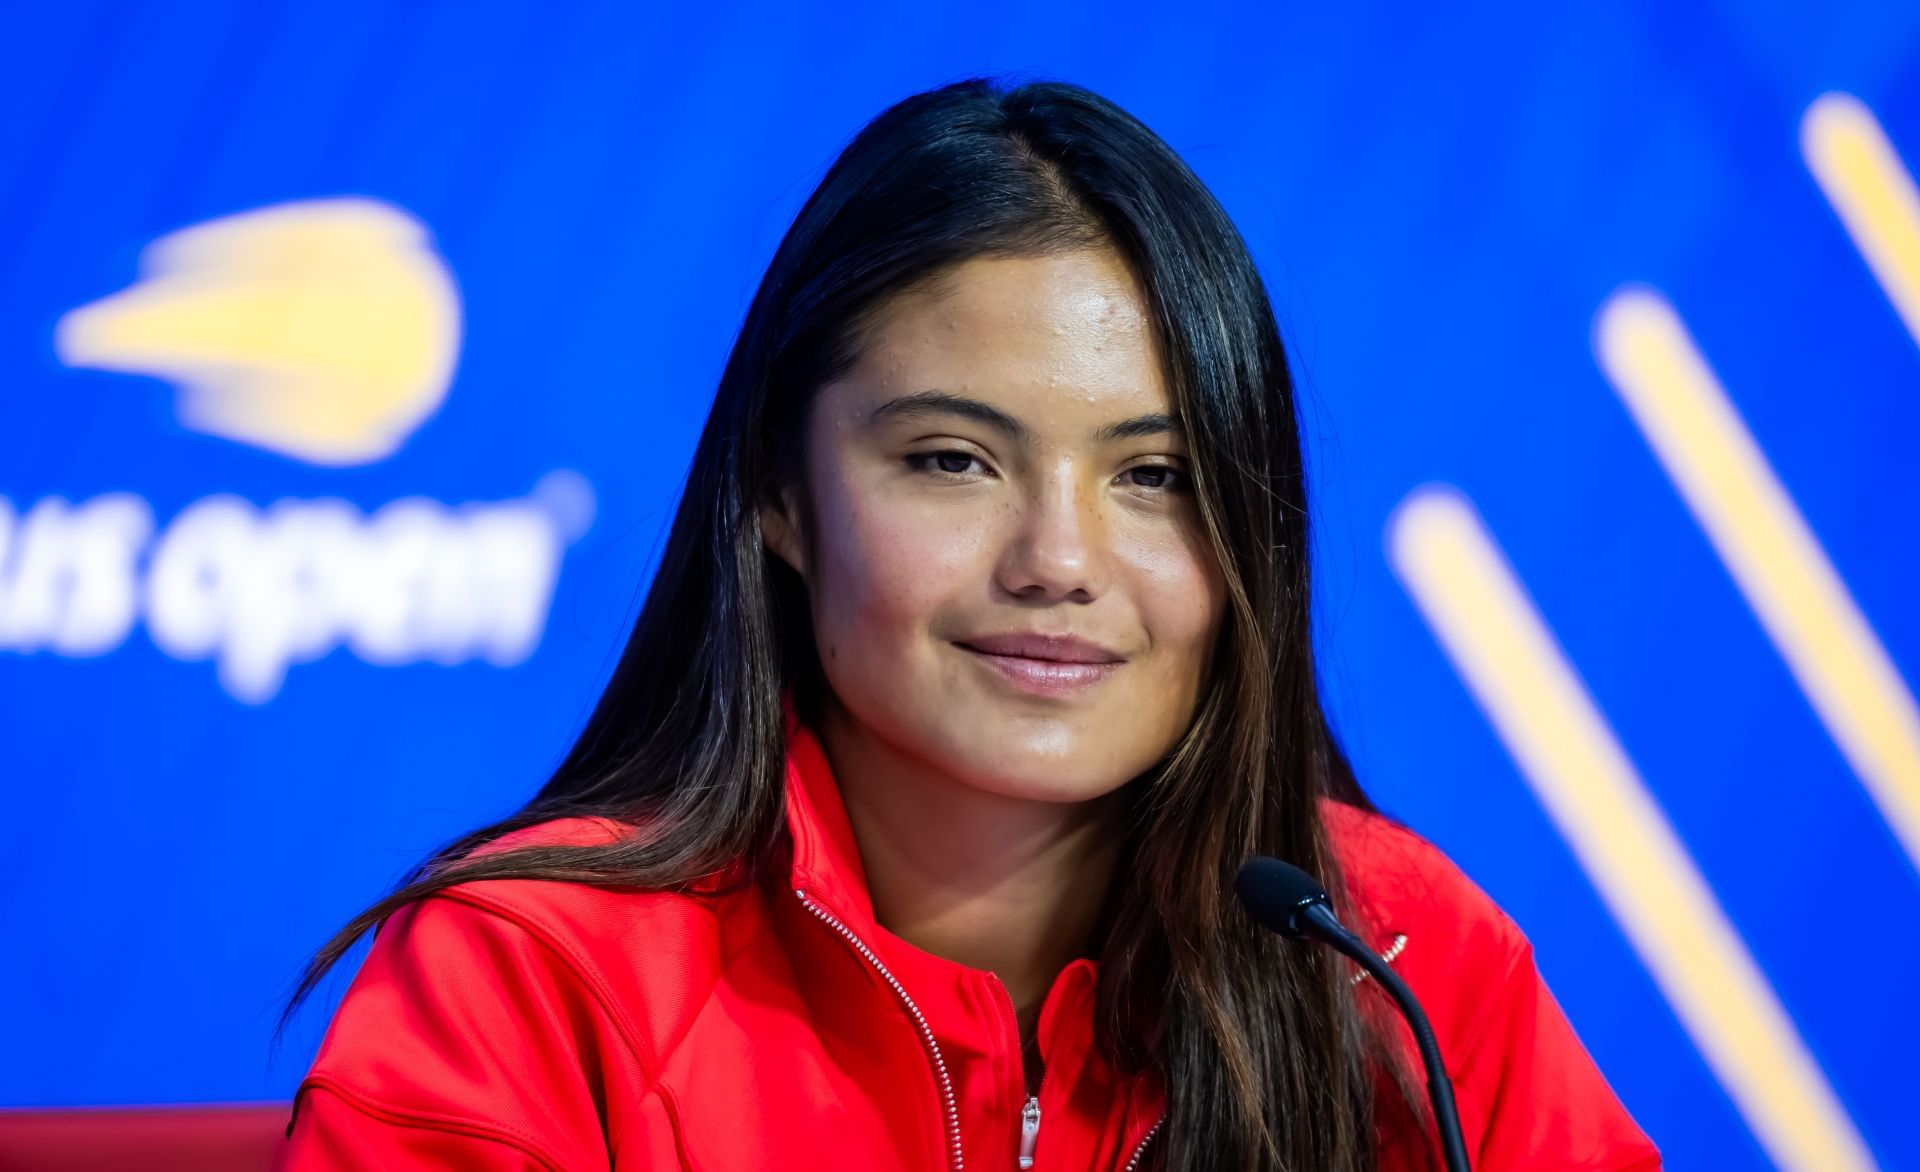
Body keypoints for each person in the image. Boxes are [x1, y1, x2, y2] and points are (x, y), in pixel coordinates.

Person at [273, 76, 1661, 1172]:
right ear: (780, 494)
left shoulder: (1398, 955)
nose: (1058, 560)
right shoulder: (538, 970)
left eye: (1154, 477)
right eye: (952, 459)